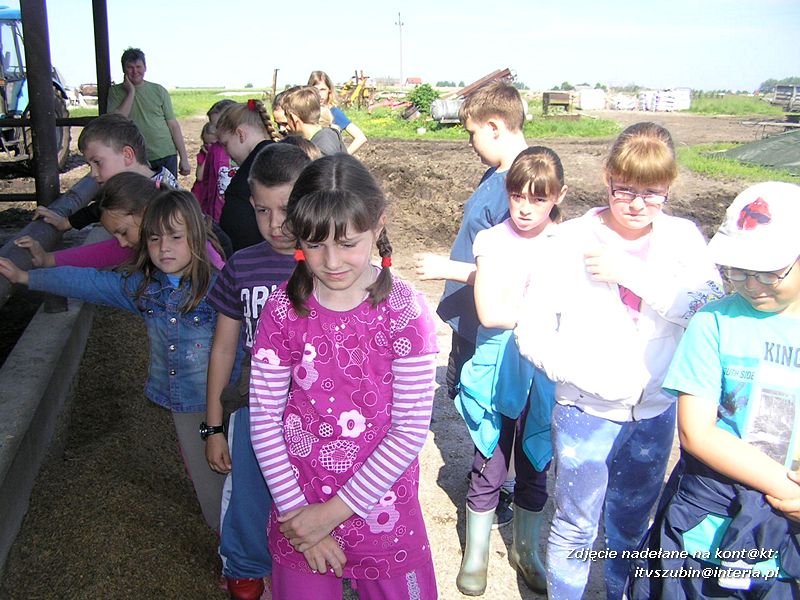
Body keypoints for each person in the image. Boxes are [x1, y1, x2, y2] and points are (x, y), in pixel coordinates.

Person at [513, 122, 724, 599]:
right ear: (606, 176)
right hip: (585, 411)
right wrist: (585, 377)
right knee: (574, 525)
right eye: (624, 189)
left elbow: (708, 309)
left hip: (653, 413)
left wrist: (636, 274)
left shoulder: (684, 239)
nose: (635, 204)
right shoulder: (567, 242)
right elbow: (532, 330)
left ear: (669, 188)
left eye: (652, 193)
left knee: (632, 524)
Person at [249, 154, 439, 599]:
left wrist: (330, 514)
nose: (331, 261)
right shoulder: (282, 309)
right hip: (299, 513)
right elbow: (264, 420)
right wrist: (302, 520)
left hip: (384, 518)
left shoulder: (405, 311)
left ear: (378, 225)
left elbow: (409, 431)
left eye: (349, 242)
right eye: (315, 245)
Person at [0, 190, 227, 532]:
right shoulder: (145, 287)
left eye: (176, 237)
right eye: (154, 238)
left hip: (229, 399)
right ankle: (233, 554)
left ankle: (250, 545)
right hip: (185, 404)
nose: (164, 248)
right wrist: (28, 277)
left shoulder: (219, 287)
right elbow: (90, 282)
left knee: (243, 473)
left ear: (195, 236)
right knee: (208, 480)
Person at [627, 181, 800, 599]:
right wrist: (788, 488)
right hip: (707, 531)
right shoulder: (713, 323)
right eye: (737, 271)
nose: (751, 284)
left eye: (768, 271)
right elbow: (697, 433)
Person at [454, 146, 566, 596]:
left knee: (537, 461)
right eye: (517, 195)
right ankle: (475, 554)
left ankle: (526, 550)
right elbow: (489, 311)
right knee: (490, 461)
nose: (524, 207)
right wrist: (543, 311)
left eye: (538, 198)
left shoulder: (568, 243)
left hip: (546, 371)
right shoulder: (492, 241)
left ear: (558, 196)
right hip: (495, 368)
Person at [205, 144, 311, 600]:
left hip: (316, 418)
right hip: (254, 412)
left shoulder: (329, 266)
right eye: (263, 211)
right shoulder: (242, 265)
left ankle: (303, 576)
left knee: (309, 505)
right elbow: (225, 346)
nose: (275, 225)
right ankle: (246, 573)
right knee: (248, 500)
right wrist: (213, 425)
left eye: (287, 210)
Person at [16, 172, 227, 271]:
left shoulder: (201, 253)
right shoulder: (145, 240)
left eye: (123, 232)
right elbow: (98, 254)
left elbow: (228, 296)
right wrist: (47, 259)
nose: (122, 242)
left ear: (145, 212)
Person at [33, 113, 178, 233]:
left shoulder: (159, 196)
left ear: (127, 155)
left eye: (97, 162)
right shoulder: (141, 183)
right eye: (90, 165)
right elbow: (100, 209)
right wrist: (66, 222)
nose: (93, 174)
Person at [108, 47, 190, 178]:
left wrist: (184, 158)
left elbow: (173, 125)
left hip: (165, 153)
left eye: (138, 67)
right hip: (137, 157)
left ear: (145, 67)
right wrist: (131, 92)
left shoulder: (159, 90)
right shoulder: (115, 92)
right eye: (130, 67)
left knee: (167, 195)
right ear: (123, 69)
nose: (135, 71)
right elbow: (118, 120)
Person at [216, 99, 281, 252]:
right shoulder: (279, 155)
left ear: (240, 134)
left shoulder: (257, 167)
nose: (226, 153)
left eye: (225, 144)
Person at [308, 71, 367, 155]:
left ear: (329, 90)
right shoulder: (306, 113)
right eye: (315, 90)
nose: (319, 94)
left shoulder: (333, 112)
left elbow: (360, 137)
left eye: (323, 89)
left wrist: (343, 157)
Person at [279, 86, 347, 156]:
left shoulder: (317, 153)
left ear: (293, 119)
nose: (286, 127)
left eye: (287, 118)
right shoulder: (332, 134)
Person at [192, 122, 233, 223]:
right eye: (206, 143)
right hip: (203, 193)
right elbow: (199, 176)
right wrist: (207, 156)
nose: (209, 146)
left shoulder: (226, 154)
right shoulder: (203, 154)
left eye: (212, 143)